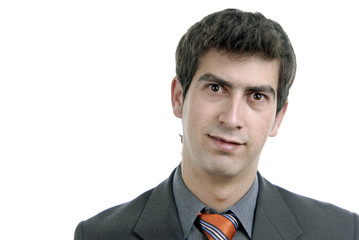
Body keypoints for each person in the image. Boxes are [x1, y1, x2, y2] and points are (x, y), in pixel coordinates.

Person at [74, 8, 359, 240]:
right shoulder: (100, 235)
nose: (232, 118)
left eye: (256, 96)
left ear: (278, 117)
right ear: (178, 97)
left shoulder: (343, 232)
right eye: (215, 88)